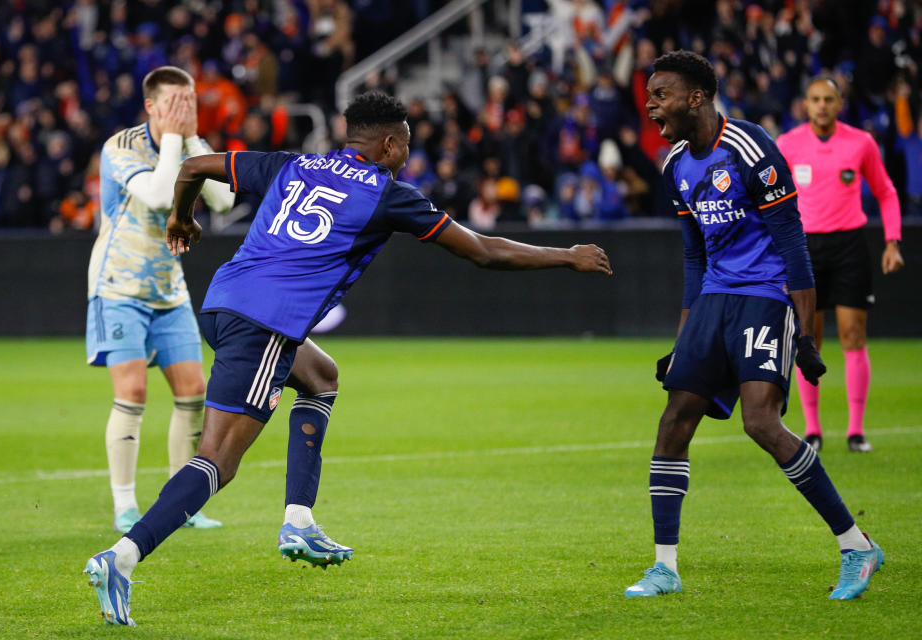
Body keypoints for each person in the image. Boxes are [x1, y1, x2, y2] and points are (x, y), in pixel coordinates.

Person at [83, 90, 613, 626]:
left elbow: (194, 165)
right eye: (405, 146)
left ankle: (299, 519)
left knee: (321, 377)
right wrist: (566, 256)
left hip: (222, 304)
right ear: (388, 144)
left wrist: (182, 219)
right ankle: (121, 559)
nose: (407, 156)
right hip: (267, 324)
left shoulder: (292, 164)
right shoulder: (388, 194)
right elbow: (482, 250)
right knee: (218, 459)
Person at [624, 51, 883, 600]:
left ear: (697, 97)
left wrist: (807, 335)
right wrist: (682, 339)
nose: (651, 106)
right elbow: (694, 256)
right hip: (714, 299)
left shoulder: (750, 147)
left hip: (765, 297)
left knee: (760, 423)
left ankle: (856, 545)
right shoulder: (673, 164)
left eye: (660, 94)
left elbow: (793, 242)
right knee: (674, 421)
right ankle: (664, 567)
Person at [86, 66, 234, 533]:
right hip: (119, 286)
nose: (184, 110)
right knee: (131, 392)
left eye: (190, 101)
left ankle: (180, 504)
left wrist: (190, 140)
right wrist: (175, 138)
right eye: (175, 102)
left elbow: (225, 201)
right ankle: (125, 506)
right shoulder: (121, 146)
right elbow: (154, 194)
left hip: (169, 288)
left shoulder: (188, 142)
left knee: (193, 392)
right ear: (151, 105)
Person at [777, 76, 905, 453]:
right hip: (805, 247)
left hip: (850, 243)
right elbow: (773, 199)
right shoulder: (788, 143)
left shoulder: (861, 142)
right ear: (805, 103)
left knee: (852, 334)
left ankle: (855, 430)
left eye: (828, 99)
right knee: (808, 339)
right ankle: (813, 430)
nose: (821, 105)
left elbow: (886, 191)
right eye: (815, 99)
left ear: (839, 103)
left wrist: (893, 242)